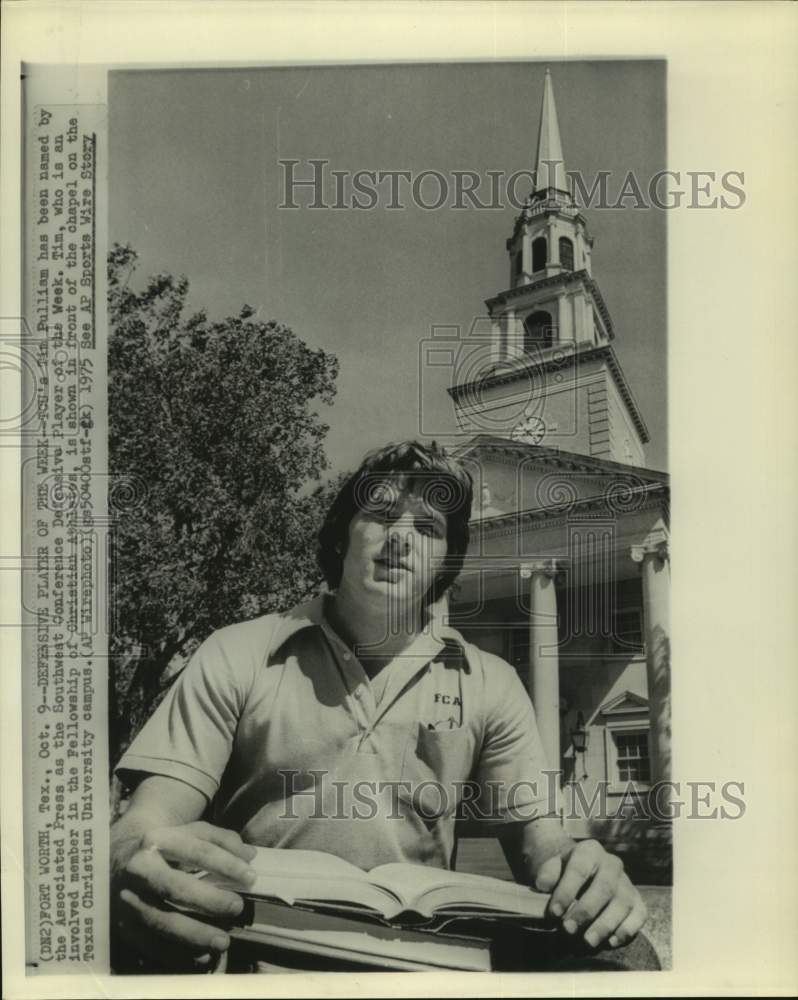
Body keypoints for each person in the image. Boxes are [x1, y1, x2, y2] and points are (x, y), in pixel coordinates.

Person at [111, 440, 648, 972]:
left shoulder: (493, 682)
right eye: (382, 514)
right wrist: (130, 860)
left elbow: (541, 846)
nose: (400, 538)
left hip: (422, 952)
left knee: (627, 953)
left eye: (427, 529)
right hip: (251, 935)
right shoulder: (239, 651)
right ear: (342, 538)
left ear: (444, 564)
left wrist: (585, 870)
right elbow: (148, 819)